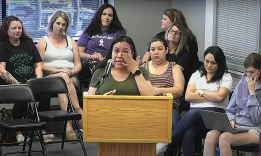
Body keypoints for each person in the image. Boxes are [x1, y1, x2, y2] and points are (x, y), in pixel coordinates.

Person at [157, 46, 233, 156]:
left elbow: (220, 98)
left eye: (213, 63)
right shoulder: (197, 74)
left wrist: (201, 92)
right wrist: (212, 96)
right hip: (195, 117)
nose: (209, 65)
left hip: (216, 116)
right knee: (188, 133)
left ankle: (168, 141)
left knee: (195, 112)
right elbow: (188, 96)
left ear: (220, 63)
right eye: (206, 61)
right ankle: (168, 144)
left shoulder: (226, 77)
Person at [203, 53, 261, 156]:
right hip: (237, 126)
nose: (248, 76)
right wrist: (231, 120)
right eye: (246, 72)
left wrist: (252, 93)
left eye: (252, 72)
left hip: (256, 129)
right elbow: (230, 109)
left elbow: (257, 119)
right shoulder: (242, 82)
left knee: (224, 138)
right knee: (210, 135)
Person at [37, 10, 83, 143]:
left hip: (70, 77)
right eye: (58, 23)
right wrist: (58, 71)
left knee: (63, 80)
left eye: (63, 24)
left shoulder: (71, 42)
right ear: (52, 23)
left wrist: (69, 72)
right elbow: (39, 65)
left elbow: (78, 65)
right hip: (49, 77)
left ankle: (67, 124)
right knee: (61, 78)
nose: (60, 27)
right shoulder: (43, 41)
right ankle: (78, 112)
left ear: (66, 26)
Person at [0, 16, 43, 143]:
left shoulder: (28, 42)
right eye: (13, 28)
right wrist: (18, 85)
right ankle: (18, 131)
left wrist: (38, 80)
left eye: (19, 27)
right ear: (6, 29)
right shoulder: (2, 44)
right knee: (22, 93)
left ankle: (41, 128)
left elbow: (38, 64)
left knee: (45, 93)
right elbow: (2, 70)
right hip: (9, 81)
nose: (17, 30)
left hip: (30, 80)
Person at [88, 35, 154, 96]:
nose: (119, 55)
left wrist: (135, 70)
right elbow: (90, 103)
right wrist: (104, 99)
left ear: (132, 54)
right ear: (111, 53)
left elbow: (150, 97)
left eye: (125, 52)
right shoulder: (100, 72)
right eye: (116, 51)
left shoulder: (141, 71)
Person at [141, 8, 199, 76]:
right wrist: (147, 54)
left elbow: (181, 66)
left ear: (174, 22)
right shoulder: (161, 35)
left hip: (185, 74)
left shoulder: (189, 40)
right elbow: (147, 56)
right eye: (171, 32)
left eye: (165, 19)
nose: (162, 21)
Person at [142, 36, 184, 129]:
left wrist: (158, 91)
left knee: (171, 125)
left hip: (169, 106)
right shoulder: (143, 68)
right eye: (152, 49)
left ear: (166, 50)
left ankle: (165, 144)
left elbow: (179, 90)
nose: (156, 52)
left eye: (160, 49)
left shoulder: (174, 68)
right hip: (147, 105)